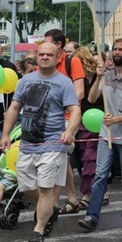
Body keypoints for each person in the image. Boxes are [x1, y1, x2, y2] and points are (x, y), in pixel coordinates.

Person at [0, 42, 80, 242]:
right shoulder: (26, 80)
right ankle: (49, 210)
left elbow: (75, 110)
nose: (44, 57)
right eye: (41, 54)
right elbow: (15, 107)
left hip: (53, 143)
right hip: (27, 143)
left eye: (49, 55)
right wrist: (6, 134)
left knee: (45, 188)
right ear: (37, 57)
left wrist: (69, 131)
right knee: (26, 186)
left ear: (57, 57)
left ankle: (39, 229)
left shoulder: (64, 83)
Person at [78, 39, 122, 232]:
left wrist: (117, 119)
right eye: (114, 49)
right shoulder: (106, 76)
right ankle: (91, 216)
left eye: (120, 49)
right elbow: (91, 99)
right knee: (99, 177)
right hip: (105, 135)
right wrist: (98, 79)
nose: (116, 52)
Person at [43, 29, 85, 214]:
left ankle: (52, 204)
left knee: (60, 155)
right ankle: (72, 197)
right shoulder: (43, 62)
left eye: (47, 43)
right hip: (47, 120)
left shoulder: (72, 61)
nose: (43, 52)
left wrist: (59, 108)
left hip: (67, 118)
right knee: (62, 158)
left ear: (58, 45)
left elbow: (80, 92)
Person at [71, 46, 103, 209]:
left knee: (90, 157)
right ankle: (98, 191)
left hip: (92, 120)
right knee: (87, 158)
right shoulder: (88, 75)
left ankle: (87, 194)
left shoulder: (86, 77)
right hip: (85, 120)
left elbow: (85, 98)